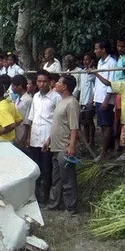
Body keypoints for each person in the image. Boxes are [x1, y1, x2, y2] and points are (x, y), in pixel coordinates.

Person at [43, 75, 80, 212]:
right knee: (56, 179)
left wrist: (72, 145)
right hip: (55, 146)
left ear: (65, 86)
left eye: (59, 82)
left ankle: (71, 207)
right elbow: (57, 124)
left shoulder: (72, 103)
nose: (56, 83)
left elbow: (74, 127)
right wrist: (49, 140)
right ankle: (54, 203)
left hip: (64, 147)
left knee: (67, 179)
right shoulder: (61, 101)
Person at [27, 70, 62, 204]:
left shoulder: (55, 97)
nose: (41, 84)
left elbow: (57, 122)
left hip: (48, 137)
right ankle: (35, 195)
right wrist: (28, 137)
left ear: (49, 82)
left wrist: (49, 139)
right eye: (39, 81)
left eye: (44, 81)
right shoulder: (35, 96)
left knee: (47, 169)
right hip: (35, 136)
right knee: (36, 167)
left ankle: (46, 197)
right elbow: (31, 118)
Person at [92, 68, 125, 161]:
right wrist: (96, 73)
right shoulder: (123, 84)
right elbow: (108, 83)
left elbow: (108, 83)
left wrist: (96, 73)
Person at [93, 39, 118, 161]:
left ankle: (104, 153)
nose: (95, 51)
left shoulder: (112, 63)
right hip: (98, 97)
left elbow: (111, 83)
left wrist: (106, 100)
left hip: (106, 99)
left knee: (107, 125)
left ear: (103, 49)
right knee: (102, 125)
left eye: (97, 48)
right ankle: (106, 149)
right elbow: (98, 83)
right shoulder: (100, 62)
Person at [11, 75, 33, 148]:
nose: (12, 88)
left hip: (23, 134)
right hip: (16, 133)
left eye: (13, 86)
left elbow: (28, 122)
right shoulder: (18, 99)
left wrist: (25, 137)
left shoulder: (28, 100)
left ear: (19, 86)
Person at [79, 53, 96, 147]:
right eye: (84, 60)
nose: (85, 62)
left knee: (90, 120)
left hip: (90, 100)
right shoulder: (82, 72)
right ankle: (86, 141)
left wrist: (92, 99)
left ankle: (92, 141)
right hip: (83, 100)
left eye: (87, 60)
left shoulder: (94, 72)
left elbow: (93, 84)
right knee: (84, 122)